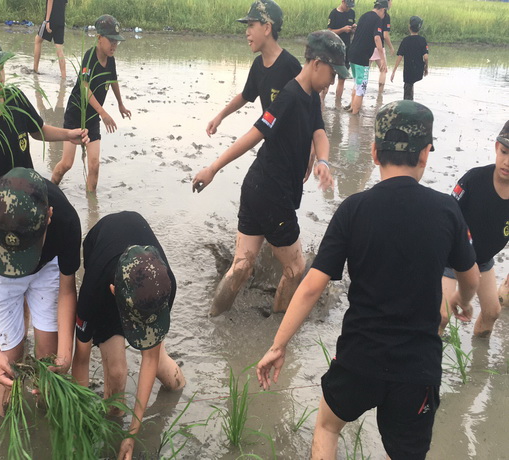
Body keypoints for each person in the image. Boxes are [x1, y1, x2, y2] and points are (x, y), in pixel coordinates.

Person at [257, 100, 479, 459]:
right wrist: (462, 301)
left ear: (374, 152)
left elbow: (311, 286)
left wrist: (278, 345)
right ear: (425, 154)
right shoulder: (447, 210)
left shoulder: (353, 209)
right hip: (416, 369)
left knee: (327, 427)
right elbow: (470, 278)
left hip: (359, 359)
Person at [192, 30, 344, 317]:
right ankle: (277, 327)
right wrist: (213, 168)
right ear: (317, 64)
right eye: (333, 73)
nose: (333, 81)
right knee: (295, 268)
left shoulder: (311, 97)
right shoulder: (290, 96)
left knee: (241, 267)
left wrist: (323, 161)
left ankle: (212, 319)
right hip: (273, 194)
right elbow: (255, 133)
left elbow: (319, 132)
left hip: (256, 187)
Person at [0, 167, 81, 414]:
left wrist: (65, 354)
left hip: (46, 267)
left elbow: (67, 290)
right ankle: (6, 423)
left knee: (49, 358)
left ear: (49, 216)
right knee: (7, 363)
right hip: (2, 272)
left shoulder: (67, 220)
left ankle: (46, 418)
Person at [72, 211, 186, 460]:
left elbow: (150, 357)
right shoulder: (93, 293)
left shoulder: (165, 283)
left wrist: (132, 434)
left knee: (171, 379)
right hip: (104, 266)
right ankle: (111, 430)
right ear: (115, 292)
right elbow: (80, 359)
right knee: (116, 375)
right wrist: (80, 426)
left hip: (142, 289)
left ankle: (178, 387)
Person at [0, 30, 89, 211]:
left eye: (2, 68)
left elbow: (38, 131)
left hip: (29, 197)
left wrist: (68, 135)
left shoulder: (15, 99)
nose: (1, 77)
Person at [440, 120, 509, 338]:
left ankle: (479, 356)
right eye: (504, 152)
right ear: (496, 147)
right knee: (441, 316)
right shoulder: (474, 179)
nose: (507, 162)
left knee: (492, 312)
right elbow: (447, 217)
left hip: (483, 260)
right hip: (452, 258)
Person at [52, 14, 132, 193]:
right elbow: (84, 88)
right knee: (67, 163)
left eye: (116, 41)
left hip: (92, 117)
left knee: (94, 165)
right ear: (99, 38)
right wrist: (103, 113)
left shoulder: (110, 60)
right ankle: (49, 191)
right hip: (76, 114)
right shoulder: (89, 57)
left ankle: (92, 204)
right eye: (111, 40)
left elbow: (113, 81)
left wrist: (120, 104)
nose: (114, 45)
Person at [205, 0, 301, 137]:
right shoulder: (258, 65)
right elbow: (245, 96)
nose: (247, 32)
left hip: (290, 144)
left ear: (267, 28)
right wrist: (220, 117)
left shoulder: (290, 65)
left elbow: (309, 106)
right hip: (270, 141)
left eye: (251, 25)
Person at [345, 0, 387, 114]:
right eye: (385, 13)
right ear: (382, 9)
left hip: (352, 53)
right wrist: (382, 59)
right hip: (361, 56)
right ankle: (355, 116)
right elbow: (377, 38)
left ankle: (352, 108)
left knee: (357, 83)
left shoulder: (364, 16)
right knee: (361, 88)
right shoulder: (377, 19)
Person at [323, 0, 356, 104]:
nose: (348, 8)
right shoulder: (334, 14)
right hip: (334, 50)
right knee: (328, 79)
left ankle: (337, 105)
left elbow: (351, 33)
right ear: (343, 1)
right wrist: (342, 29)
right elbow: (329, 31)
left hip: (346, 50)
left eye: (350, 6)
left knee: (342, 79)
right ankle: (321, 103)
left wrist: (353, 29)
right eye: (347, 5)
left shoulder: (352, 13)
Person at [390, 16, 428, 101]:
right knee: (411, 85)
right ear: (419, 28)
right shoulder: (422, 40)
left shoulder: (405, 40)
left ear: (409, 27)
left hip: (408, 71)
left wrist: (394, 71)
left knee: (408, 90)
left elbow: (400, 56)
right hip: (418, 70)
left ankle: (408, 104)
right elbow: (426, 57)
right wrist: (426, 68)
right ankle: (411, 101)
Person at [33, 0, 67, 79]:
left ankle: (35, 70)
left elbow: (50, 2)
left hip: (51, 20)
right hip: (61, 20)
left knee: (37, 40)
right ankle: (64, 76)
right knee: (59, 48)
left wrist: (47, 21)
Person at [369, 0, 394, 89]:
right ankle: (380, 94)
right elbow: (385, 36)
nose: (391, 4)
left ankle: (359, 91)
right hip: (379, 46)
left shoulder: (371, 14)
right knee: (383, 70)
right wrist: (391, 47)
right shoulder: (386, 17)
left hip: (368, 46)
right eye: (391, 1)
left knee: (365, 71)